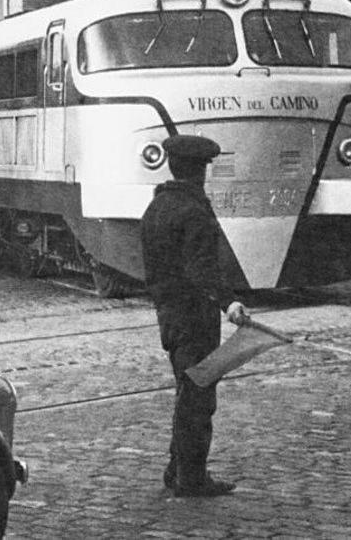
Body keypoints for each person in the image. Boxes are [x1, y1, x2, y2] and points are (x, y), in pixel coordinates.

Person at [140, 134, 249, 498]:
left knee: (187, 390)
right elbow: (202, 269)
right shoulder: (193, 211)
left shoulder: (156, 208)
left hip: (168, 314)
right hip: (195, 317)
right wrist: (229, 303)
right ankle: (191, 477)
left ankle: (177, 469)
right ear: (201, 171)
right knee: (199, 396)